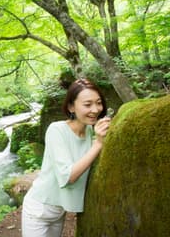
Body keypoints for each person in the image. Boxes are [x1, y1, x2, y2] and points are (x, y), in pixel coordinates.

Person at [21, 78, 111, 237]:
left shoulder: (92, 131)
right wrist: (98, 144)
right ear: (71, 107)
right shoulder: (57, 130)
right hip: (38, 210)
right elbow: (67, 175)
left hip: (59, 210)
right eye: (87, 104)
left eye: (98, 103)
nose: (96, 109)